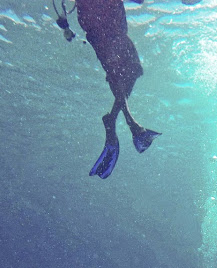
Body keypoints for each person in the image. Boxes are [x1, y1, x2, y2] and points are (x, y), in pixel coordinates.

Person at [54, 0, 160, 179]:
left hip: (111, 25)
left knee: (132, 70)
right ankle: (128, 123)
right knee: (116, 71)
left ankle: (115, 121)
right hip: (101, 24)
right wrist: (64, 22)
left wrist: (64, 22)